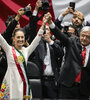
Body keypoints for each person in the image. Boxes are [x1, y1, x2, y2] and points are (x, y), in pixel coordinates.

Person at [45, 12, 90, 99]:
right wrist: (50, 22)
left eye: (88, 37)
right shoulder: (72, 41)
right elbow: (60, 35)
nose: (84, 38)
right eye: (83, 36)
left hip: (84, 89)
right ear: (79, 35)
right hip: (67, 85)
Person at [0, 17, 46, 99]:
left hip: (23, 84)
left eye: (22, 37)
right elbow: (1, 39)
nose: (20, 39)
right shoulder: (8, 49)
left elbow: (36, 41)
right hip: (11, 82)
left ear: (24, 39)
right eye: (18, 37)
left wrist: (42, 26)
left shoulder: (26, 51)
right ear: (13, 39)